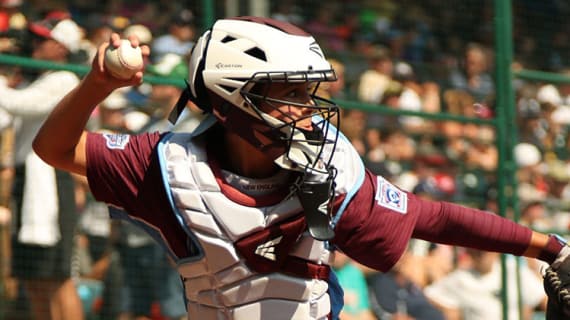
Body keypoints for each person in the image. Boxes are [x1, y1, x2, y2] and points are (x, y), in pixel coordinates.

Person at [32, 16, 570, 320]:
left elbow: (431, 218)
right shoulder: (166, 166)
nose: (308, 112)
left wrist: (550, 247)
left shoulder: (330, 165)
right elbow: (55, 149)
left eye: (308, 94)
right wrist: (98, 84)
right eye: (289, 95)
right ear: (230, 100)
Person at [0, 14, 84, 320]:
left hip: (49, 181)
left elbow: (23, 106)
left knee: (58, 277)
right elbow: (5, 116)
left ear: (62, 48)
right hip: (28, 182)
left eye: (42, 40)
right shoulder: (34, 80)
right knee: (34, 278)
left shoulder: (65, 79)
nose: (34, 45)